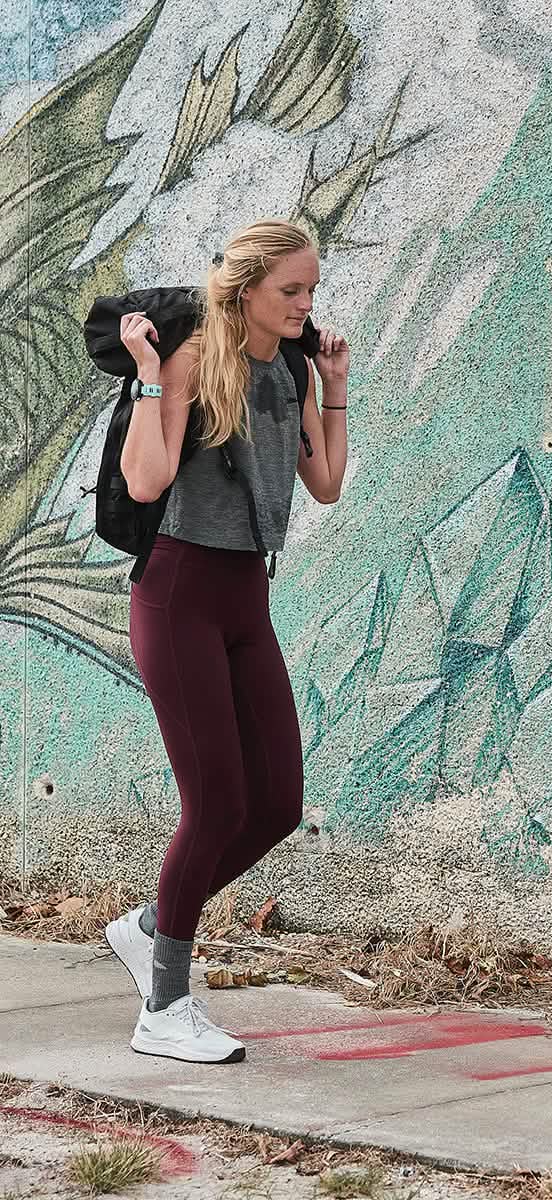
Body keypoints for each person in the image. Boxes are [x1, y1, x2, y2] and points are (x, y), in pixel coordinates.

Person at [103, 219, 350, 1064]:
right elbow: (145, 480)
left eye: (312, 289)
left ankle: (150, 927)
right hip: (178, 595)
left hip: (246, 597)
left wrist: (333, 384)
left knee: (276, 801)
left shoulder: (287, 366)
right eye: (291, 290)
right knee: (212, 804)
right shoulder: (192, 357)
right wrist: (146, 378)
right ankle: (163, 1006)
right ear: (245, 288)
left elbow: (324, 483)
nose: (306, 304)